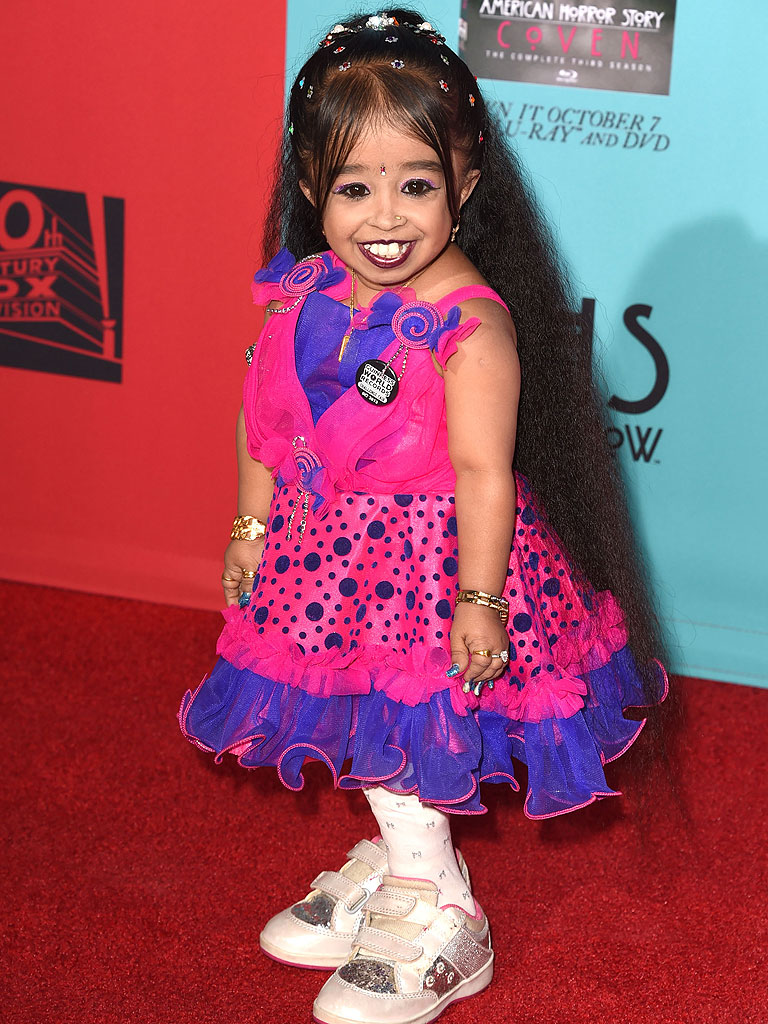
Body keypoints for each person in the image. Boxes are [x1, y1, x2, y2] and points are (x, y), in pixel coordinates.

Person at [178, 10, 668, 1023]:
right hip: (329, 557)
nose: (384, 217)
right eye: (353, 188)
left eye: (416, 184)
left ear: (465, 183)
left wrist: (479, 600)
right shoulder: (308, 292)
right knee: (361, 712)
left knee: (410, 715)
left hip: (434, 567)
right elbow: (264, 417)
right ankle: (402, 853)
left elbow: (486, 474)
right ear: (310, 186)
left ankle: (443, 912)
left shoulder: (469, 325)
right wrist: (251, 526)